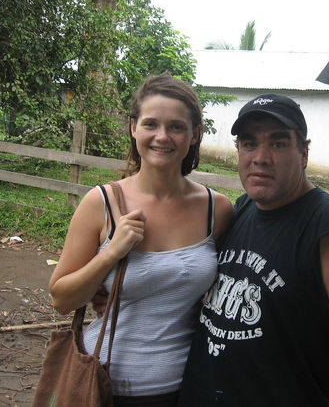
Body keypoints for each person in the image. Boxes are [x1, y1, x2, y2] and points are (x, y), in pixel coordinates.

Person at [177, 94, 329, 406]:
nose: (260, 157)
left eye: (277, 144)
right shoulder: (244, 208)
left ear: (303, 154)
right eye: (249, 143)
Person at [48, 72, 233, 406]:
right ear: (133, 128)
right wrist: (110, 254)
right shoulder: (100, 203)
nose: (162, 136)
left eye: (176, 126)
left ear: (194, 135)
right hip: (104, 385)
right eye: (151, 124)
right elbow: (61, 299)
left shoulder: (216, 209)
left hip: (188, 386)